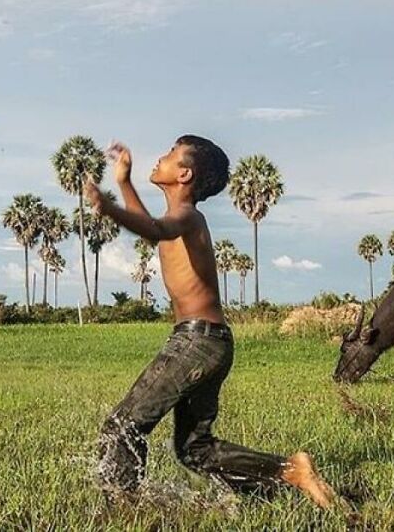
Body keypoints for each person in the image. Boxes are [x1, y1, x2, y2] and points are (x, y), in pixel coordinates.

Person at [84, 135, 337, 508]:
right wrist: (123, 182)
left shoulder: (186, 218)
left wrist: (107, 207)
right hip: (210, 341)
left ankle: (124, 510)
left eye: (169, 155)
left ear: (183, 174)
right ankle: (291, 470)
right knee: (195, 451)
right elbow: (153, 227)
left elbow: (155, 230)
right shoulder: (179, 218)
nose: (160, 157)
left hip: (196, 342)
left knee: (123, 426)